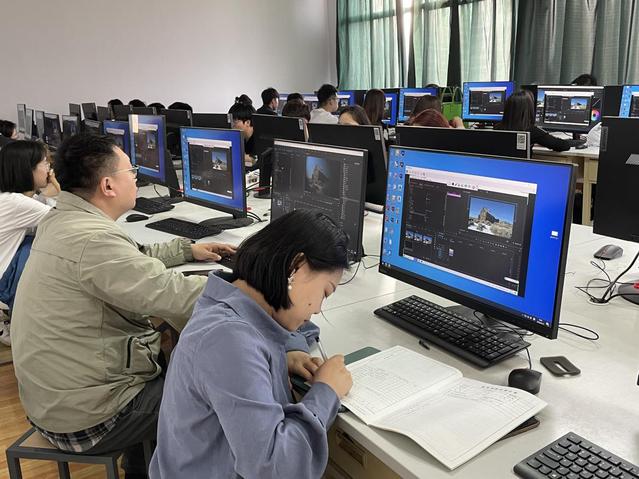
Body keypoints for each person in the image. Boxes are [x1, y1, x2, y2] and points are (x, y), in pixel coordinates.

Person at [10, 134, 238, 478]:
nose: (135, 178)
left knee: (175, 357)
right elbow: (175, 294)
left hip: (56, 402)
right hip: (90, 418)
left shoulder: (62, 220)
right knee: (218, 393)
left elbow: (128, 259)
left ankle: (142, 466)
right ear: (108, 185)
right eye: (131, 171)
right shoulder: (93, 238)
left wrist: (185, 250)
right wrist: (253, 288)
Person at [150, 210, 353, 479]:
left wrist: (289, 349)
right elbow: (275, 467)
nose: (317, 309)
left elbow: (290, 325)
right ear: (296, 267)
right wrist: (326, 391)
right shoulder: (229, 340)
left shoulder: (233, 300)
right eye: (325, 292)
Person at [0, 141, 60, 346]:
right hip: (3, 282)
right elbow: (68, 220)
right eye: (45, 163)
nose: (49, 168)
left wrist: (44, 191)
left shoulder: (10, 197)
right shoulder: (18, 204)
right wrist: (57, 185)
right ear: (28, 169)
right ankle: (19, 319)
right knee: (44, 246)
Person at [496, 90, 572, 152]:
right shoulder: (533, 131)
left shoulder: (497, 128)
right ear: (529, 109)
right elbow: (562, 146)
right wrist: (572, 142)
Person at [228, 94, 256, 165]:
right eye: (231, 121)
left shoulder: (259, 140)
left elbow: (255, 160)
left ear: (247, 122)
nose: (232, 125)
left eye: (235, 121)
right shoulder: (241, 137)